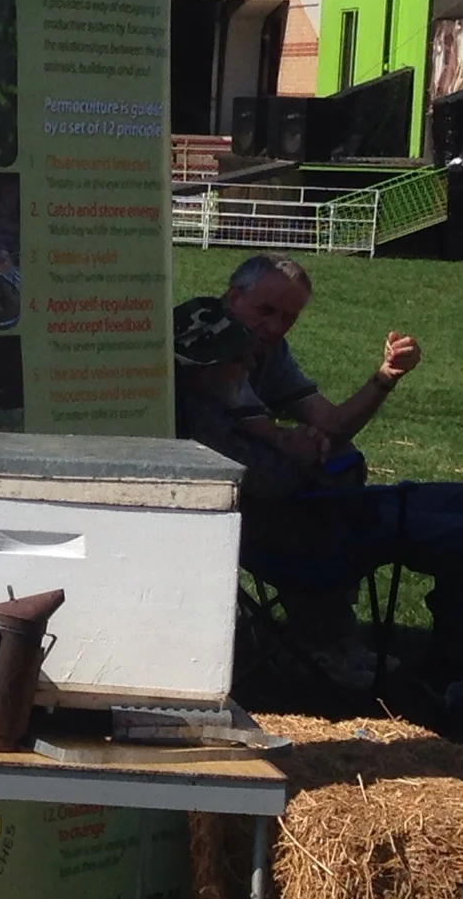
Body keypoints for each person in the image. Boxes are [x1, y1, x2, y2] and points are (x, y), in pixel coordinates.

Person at [181, 256, 463, 696]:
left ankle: (356, 642)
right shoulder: (205, 392)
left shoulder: (239, 363)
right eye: (266, 311)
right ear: (234, 297)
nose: (274, 329)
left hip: (327, 509)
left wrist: (381, 381)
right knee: (454, 531)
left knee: (453, 500)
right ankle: (447, 667)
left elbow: (329, 428)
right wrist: (298, 449)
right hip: (307, 523)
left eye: (289, 317)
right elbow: (271, 478)